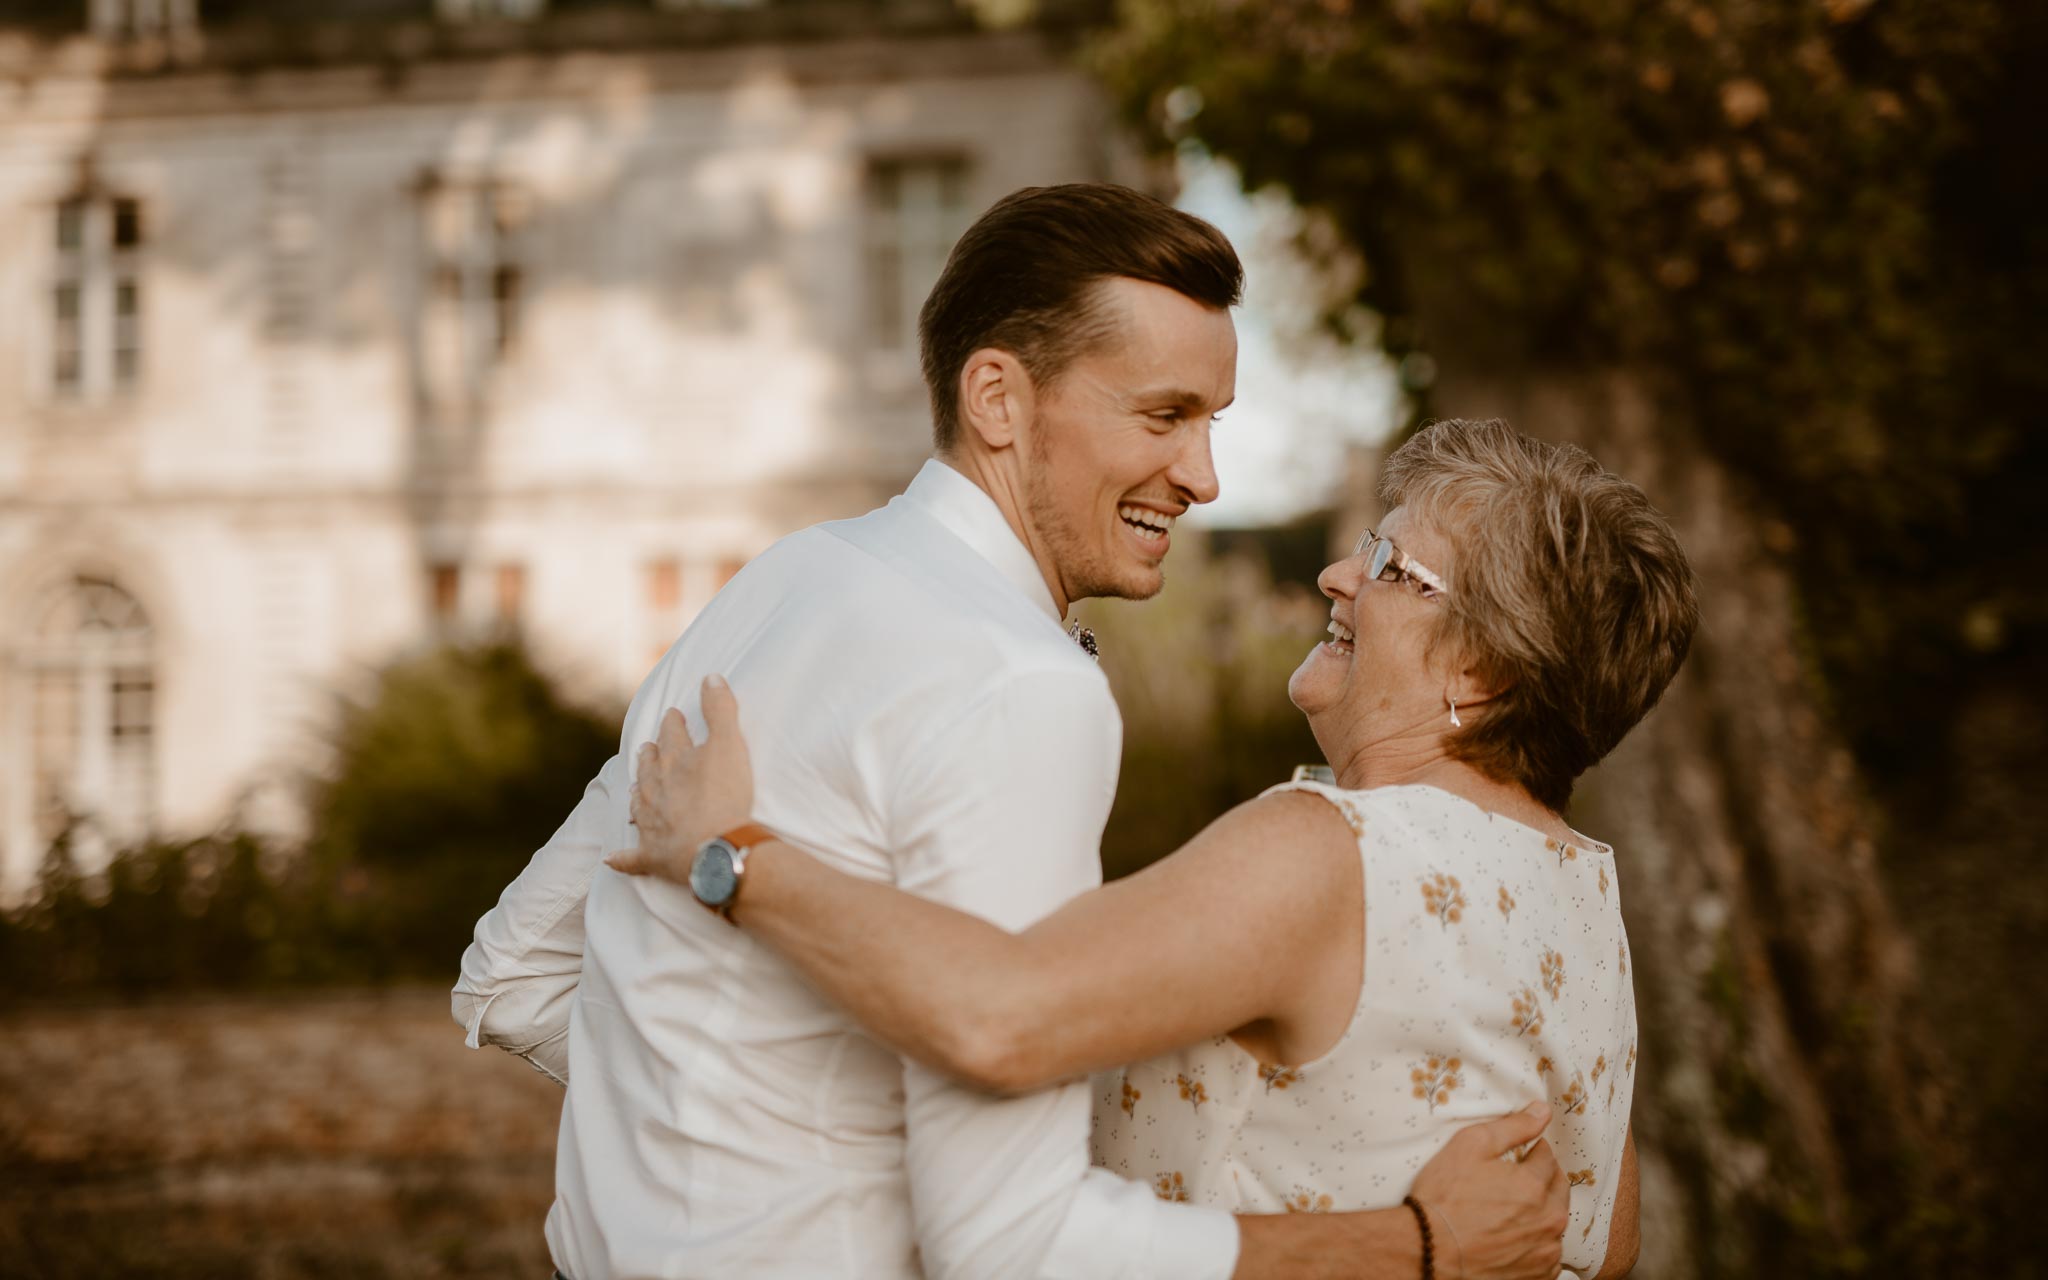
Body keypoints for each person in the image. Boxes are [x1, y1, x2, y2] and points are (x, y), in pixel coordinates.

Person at [456, 186, 1572, 1279]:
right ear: (996, 397)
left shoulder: (782, 580)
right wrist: (1418, 1246)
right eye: (1162, 415)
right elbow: (1010, 1244)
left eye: (1211, 422)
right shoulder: (1019, 684)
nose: (1203, 475)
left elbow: (510, 976)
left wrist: (738, 1148)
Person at [615, 418, 1698, 1279]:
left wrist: (732, 850)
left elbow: (999, 1015)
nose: (1337, 574)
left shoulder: (1332, 854)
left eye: (1389, 563)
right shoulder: (1576, 897)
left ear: (1483, 676)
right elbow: (1598, 1242)